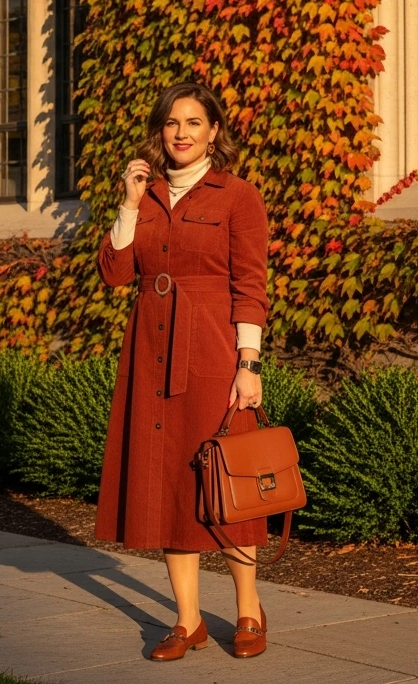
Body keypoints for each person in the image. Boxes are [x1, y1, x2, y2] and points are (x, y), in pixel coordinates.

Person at [94, 82, 271, 661]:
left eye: (194, 123)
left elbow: (251, 284)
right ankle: (188, 620)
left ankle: (247, 611)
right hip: (151, 352)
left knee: (229, 482)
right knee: (170, 482)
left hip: (215, 350)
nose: (182, 133)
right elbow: (116, 274)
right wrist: (127, 201)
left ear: (214, 132)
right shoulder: (143, 198)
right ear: (160, 131)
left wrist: (249, 364)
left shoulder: (237, 195)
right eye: (173, 123)